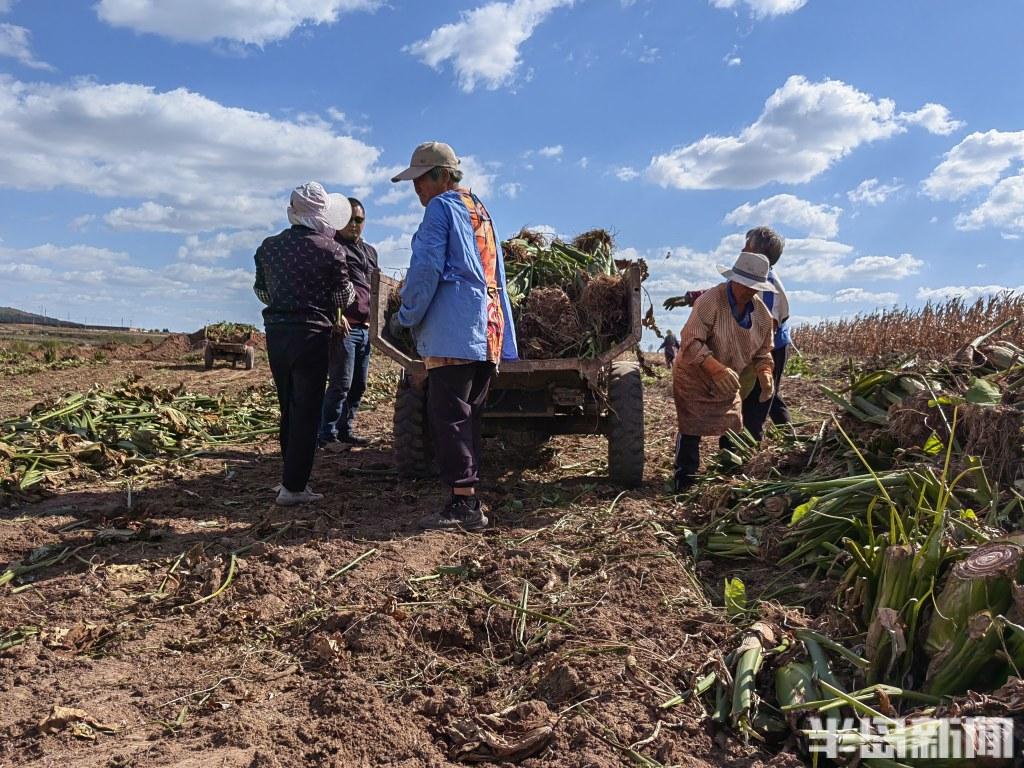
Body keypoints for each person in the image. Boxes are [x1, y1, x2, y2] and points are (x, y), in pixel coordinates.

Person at [389, 141, 518, 531]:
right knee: (469, 415)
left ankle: (464, 504)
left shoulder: (440, 209)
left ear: (444, 176)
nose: (418, 189)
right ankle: (468, 494)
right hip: (487, 330)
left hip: (454, 332)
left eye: (423, 179)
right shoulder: (480, 210)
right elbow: (497, 275)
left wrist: (405, 315)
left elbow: (426, 270)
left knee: (448, 417)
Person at [254, 182, 353, 506]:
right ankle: (294, 488)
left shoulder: (269, 247)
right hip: (312, 335)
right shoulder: (331, 250)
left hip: (277, 333)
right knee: (307, 409)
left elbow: (263, 292)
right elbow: (342, 296)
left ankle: (288, 477)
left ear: (293, 211)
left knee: (288, 406)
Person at [671, 251, 775, 491]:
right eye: (746, 285)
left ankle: (727, 477)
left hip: (729, 380)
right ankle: (685, 480)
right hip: (694, 375)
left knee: (734, 426)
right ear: (734, 279)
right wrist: (715, 369)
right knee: (691, 426)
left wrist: (765, 374)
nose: (749, 291)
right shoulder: (710, 300)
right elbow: (691, 340)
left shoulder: (762, 316)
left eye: (754, 286)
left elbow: (763, 351)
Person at [318, 198, 378, 448]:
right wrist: (335, 313)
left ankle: (345, 430)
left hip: (366, 329)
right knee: (341, 383)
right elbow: (325, 284)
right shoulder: (333, 248)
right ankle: (327, 434)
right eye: (350, 219)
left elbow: (376, 288)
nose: (354, 224)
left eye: (359, 220)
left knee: (359, 384)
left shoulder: (370, 251)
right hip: (345, 327)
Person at [740, 226, 792, 441]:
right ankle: (788, 435)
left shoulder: (768, 287)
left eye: (747, 246)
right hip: (754, 344)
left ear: (758, 255)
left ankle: (748, 451)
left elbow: (766, 333)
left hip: (768, 348)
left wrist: (752, 362)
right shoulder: (748, 274)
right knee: (768, 394)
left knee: (755, 404)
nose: (742, 250)